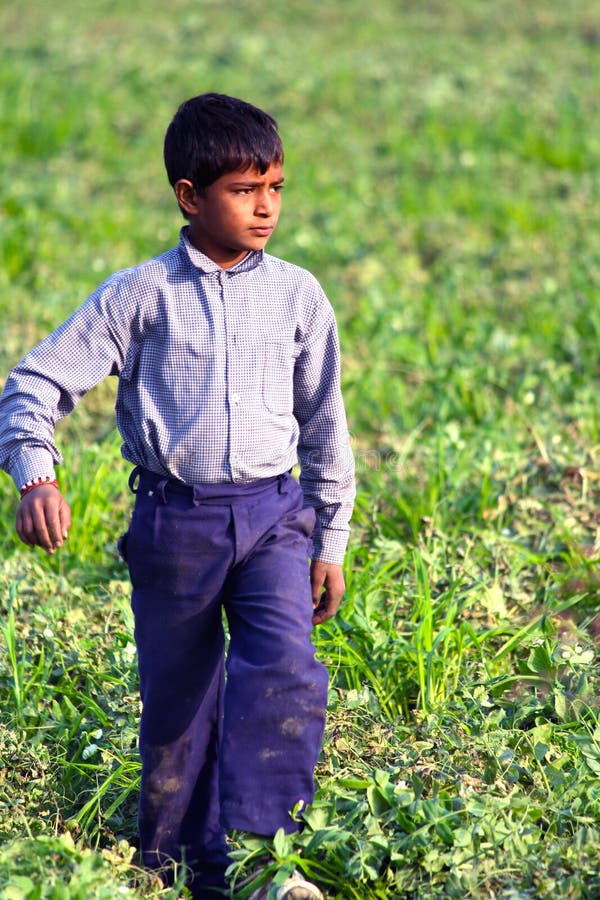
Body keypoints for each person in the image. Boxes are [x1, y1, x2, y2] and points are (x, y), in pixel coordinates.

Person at [0, 93, 355, 899]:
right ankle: (176, 869)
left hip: (274, 518)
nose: (265, 207)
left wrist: (330, 538)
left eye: (276, 188)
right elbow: (35, 382)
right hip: (175, 523)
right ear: (189, 196)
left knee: (286, 671)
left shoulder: (298, 295)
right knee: (179, 703)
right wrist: (37, 474)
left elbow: (325, 422)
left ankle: (269, 860)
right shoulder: (139, 294)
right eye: (243, 189)